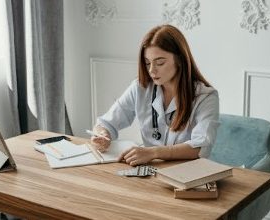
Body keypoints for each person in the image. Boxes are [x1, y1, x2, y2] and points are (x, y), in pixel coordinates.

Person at [91, 24, 219, 166]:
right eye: (147, 63)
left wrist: (153, 152)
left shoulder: (206, 97)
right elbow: (105, 123)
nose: (152, 70)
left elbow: (201, 147)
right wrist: (102, 135)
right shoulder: (140, 88)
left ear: (180, 60)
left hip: (187, 175)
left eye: (160, 62)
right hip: (150, 172)